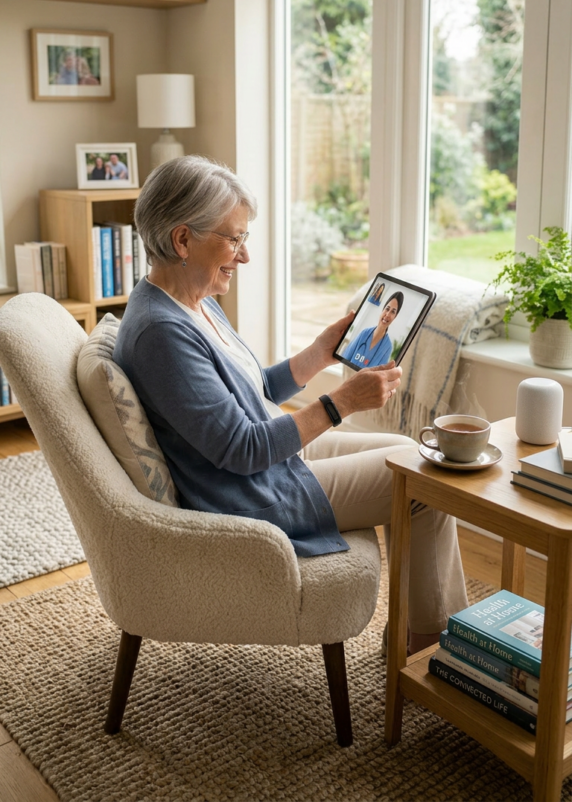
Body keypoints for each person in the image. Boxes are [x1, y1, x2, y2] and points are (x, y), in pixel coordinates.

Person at [113, 157, 468, 652]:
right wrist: (341, 402)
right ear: (182, 240)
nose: (244, 256)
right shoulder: (161, 333)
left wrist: (317, 353)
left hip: (271, 465)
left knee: (409, 447)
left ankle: (416, 629)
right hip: (252, 490)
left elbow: (252, 389)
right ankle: (431, 644)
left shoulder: (192, 302)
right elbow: (241, 448)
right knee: (428, 480)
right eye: (234, 239)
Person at [344, 292, 404, 368]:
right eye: (387, 309)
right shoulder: (364, 333)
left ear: (395, 316)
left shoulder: (388, 347)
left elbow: (378, 373)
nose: (388, 314)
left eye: (393, 312)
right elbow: (346, 357)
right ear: (383, 310)